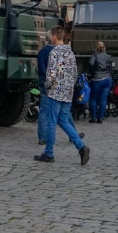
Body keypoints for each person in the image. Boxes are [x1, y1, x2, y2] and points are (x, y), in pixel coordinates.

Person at [34, 26, 90, 166]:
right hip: (67, 92)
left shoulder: (54, 53)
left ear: (53, 37)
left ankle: (49, 153)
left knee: (51, 122)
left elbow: (51, 74)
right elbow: (74, 73)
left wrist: (47, 86)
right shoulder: (70, 52)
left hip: (55, 91)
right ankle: (81, 146)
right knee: (64, 121)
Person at [36, 33, 56, 144]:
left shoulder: (42, 52)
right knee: (62, 109)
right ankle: (73, 134)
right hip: (54, 83)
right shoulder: (55, 53)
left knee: (43, 110)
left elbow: (41, 69)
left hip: (43, 81)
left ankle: (42, 137)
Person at [87, 41, 112, 123]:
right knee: (103, 99)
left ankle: (93, 117)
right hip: (107, 78)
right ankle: (100, 117)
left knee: (93, 98)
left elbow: (90, 64)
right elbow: (110, 67)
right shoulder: (108, 56)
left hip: (96, 79)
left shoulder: (95, 56)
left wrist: (91, 73)